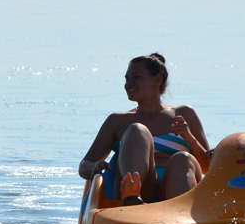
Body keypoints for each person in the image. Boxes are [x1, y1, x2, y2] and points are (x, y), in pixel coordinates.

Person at [79, 53, 210, 205]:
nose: (129, 83)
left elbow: (208, 168)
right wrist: (95, 166)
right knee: (137, 130)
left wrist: (190, 139)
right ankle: (131, 199)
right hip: (141, 189)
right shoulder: (118, 120)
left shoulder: (184, 114)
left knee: (182, 159)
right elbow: (84, 165)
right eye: (127, 79)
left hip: (175, 188)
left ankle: (182, 215)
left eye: (136, 77)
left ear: (158, 79)